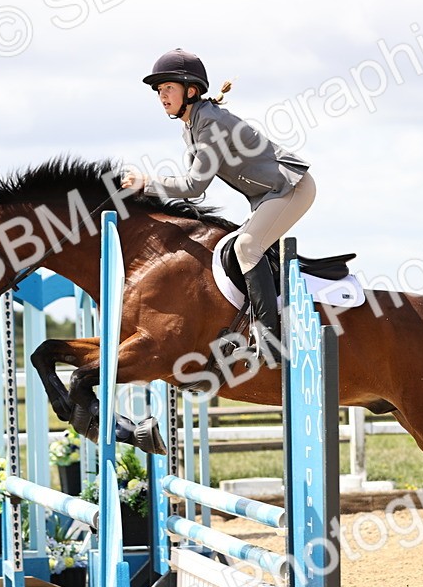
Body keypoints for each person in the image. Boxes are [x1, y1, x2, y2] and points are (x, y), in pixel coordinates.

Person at [121, 48, 314, 361]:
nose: (162, 96)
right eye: (159, 90)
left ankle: (271, 340)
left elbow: (194, 185)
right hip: (269, 194)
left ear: (191, 90)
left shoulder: (209, 124)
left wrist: (148, 182)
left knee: (246, 247)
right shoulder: (192, 126)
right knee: (242, 247)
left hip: (292, 187)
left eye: (168, 88)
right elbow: (193, 190)